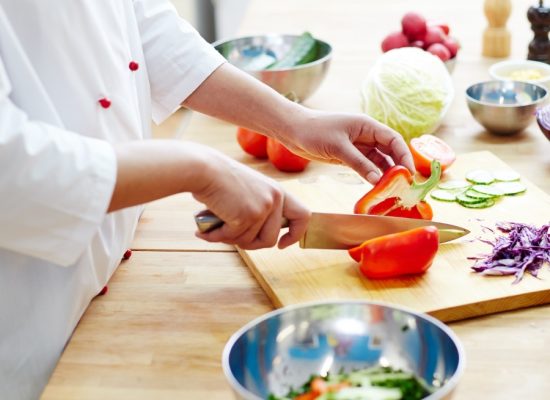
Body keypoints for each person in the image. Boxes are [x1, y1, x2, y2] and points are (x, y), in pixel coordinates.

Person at [0, 1, 414, 398]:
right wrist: (197, 168)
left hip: (115, 274)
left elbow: (144, 27)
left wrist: (294, 123)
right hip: (28, 327)